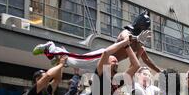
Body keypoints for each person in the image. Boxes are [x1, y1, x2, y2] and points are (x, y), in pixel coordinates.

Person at [33, 11, 161, 73]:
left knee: (75, 63)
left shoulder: (139, 44)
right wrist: (137, 40)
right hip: (103, 57)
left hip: (107, 66)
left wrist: (161, 73)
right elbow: (124, 38)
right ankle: (52, 48)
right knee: (76, 60)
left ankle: (58, 54)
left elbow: (146, 60)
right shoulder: (128, 33)